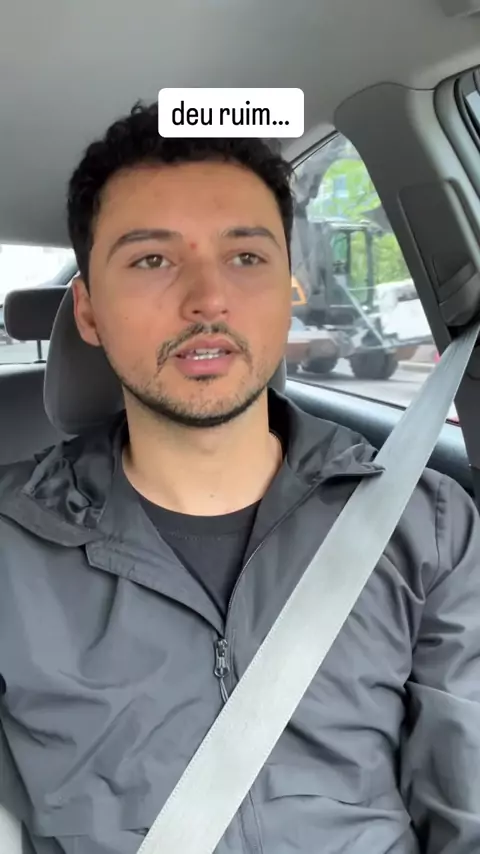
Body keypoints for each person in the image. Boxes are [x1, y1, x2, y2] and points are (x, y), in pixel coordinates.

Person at [0, 102, 479, 854]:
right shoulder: (9, 546)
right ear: (88, 313)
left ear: (289, 287)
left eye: (246, 257)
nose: (207, 298)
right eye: (151, 260)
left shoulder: (426, 527)